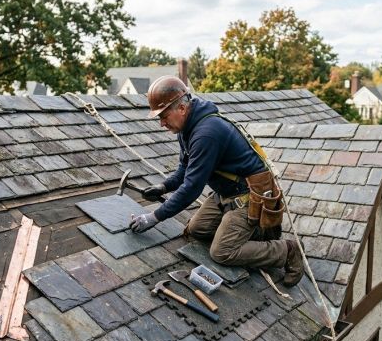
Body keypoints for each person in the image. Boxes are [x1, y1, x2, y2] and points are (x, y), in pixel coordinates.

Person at [128, 76, 305, 286]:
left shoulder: (206, 133)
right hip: (225, 194)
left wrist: (154, 217)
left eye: (164, 115)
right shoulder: (186, 129)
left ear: (182, 108)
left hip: (248, 197)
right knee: (196, 230)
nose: (162, 123)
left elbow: (192, 187)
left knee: (222, 252)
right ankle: (247, 234)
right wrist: (164, 186)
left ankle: (287, 251)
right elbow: (185, 168)